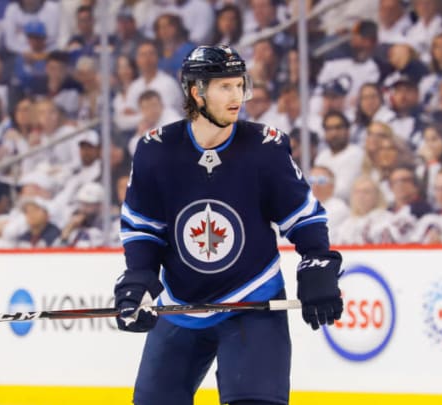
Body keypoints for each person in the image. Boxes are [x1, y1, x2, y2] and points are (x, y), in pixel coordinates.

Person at [113, 45, 343, 405]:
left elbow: (304, 217)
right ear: (196, 92)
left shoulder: (265, 148)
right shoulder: (155, 151)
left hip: (251, 302)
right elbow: (143, 228)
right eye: (225, 87)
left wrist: (317, 263)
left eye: (240, 85)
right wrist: (139, 279)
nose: (237, 96)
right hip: (180, 306)